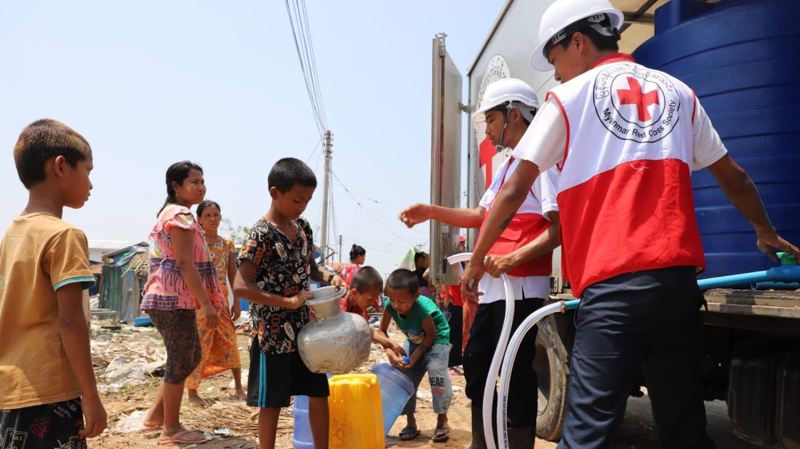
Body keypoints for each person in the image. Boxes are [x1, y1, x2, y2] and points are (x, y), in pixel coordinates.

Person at [461, 1, 800, 448]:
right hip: (678, 290)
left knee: (586, 433)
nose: (555, 71)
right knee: (683, 426)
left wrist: (476, 262)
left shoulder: (567, 98)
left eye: (554, 57)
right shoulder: (681, 91)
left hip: (615, 287)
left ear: (577, 42)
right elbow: (733, 176)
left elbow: (512, 190)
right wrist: (763, 229)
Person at [400, 78, 561, 448]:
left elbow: (559, 228)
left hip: (519, 288)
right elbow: (480, 215)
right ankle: (482, 442)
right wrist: (429, 211)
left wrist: (513, 257)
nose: (487, 130)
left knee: (517, 372)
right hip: (495, 289)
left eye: (490, 119)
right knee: (477, 366)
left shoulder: (543, 162)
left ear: (514, 115)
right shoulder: (510, 165)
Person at [0, 119, 107, 448]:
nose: (91, 183)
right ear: (61, 166)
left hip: (12, 388)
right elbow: (72, 321)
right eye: (88, 170)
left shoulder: (13, 234)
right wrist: (90, 396)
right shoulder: (65, 235)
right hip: (51, 390)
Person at [232, 157, 344, 449]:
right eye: (297, 200)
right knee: (272, 402)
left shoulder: (303, 227)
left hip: (307, 332)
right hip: (272, 334)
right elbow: (241, 286)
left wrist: (330, 277)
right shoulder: (261, 235)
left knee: (318, 393)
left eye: (307, 200)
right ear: (274, 193)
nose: (302, 206)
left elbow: (311, 268)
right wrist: (288, 301)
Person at [140, 161, 226, 445]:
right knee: (181, 359)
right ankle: (171, 429)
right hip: (171, 298)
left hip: (171, 297)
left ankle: (155, 418)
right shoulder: (180, 215)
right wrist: (207, 304)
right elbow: (185, 263)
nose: (200, 186)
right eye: (194, 182)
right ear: (176, 187)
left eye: (202, 181)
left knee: (189, 357)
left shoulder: (176, 213)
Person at [376, 269, 453, 443]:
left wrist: (415, 358)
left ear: (416, 296)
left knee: (436, 374)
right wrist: (390, 352)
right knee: (405, 377)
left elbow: (431, 335)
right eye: (392, 299)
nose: (396, 305)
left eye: (402, 301)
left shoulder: (423, 309)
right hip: (414, 340)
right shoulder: (390, 305)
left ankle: (442, 420)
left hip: (436, 339)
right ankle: (411, 423)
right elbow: (381, 331)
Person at [185, 200, 245, 405]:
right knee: (199, 344)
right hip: (200, 301)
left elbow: (232, 274)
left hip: (221, 303)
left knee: (230, 341)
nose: (213, 219)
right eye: (208, 215)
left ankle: (238, 387)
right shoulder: (194, 242)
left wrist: (236, 301)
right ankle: (192, 392)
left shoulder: (226, 244)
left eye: (216, 215)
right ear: (199, 219)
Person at [443, 236, 466, 375]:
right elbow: (446, 278)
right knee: (449, 331)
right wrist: (447, 295)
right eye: (461, 244)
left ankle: (454, 362)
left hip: (459, 300)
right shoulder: (450, 259)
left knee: (457, 332)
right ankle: (447, 363)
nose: (463, 246)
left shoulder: (460, 260)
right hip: (453, 299)